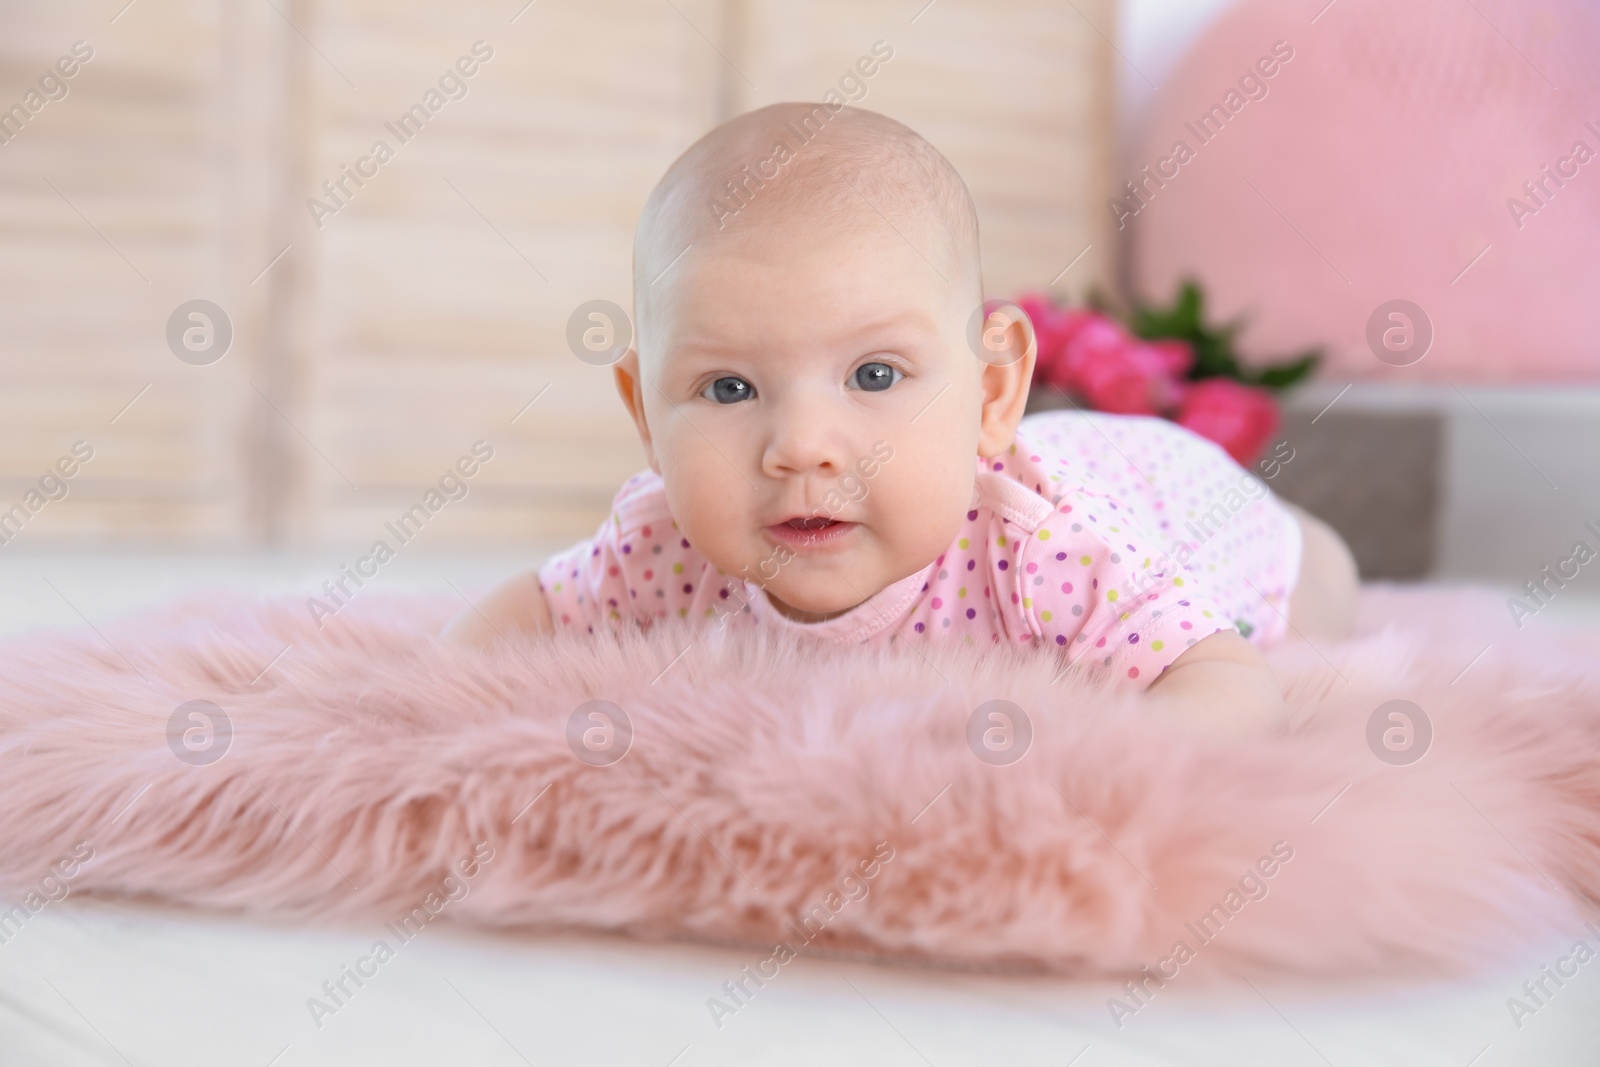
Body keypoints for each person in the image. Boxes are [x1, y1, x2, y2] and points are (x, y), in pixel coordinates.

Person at [443, 102, 1358, 737]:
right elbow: (533, 612)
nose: (800, 446)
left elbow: (1214, 674)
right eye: (728, 389)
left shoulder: (1041, 552)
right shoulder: (660, 546)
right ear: (646, 415)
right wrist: (426, 703)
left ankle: (1321, 544)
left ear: (992, 394)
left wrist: (1137, 774)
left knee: (1316, 584)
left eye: (874, 374)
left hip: (1176, 492)